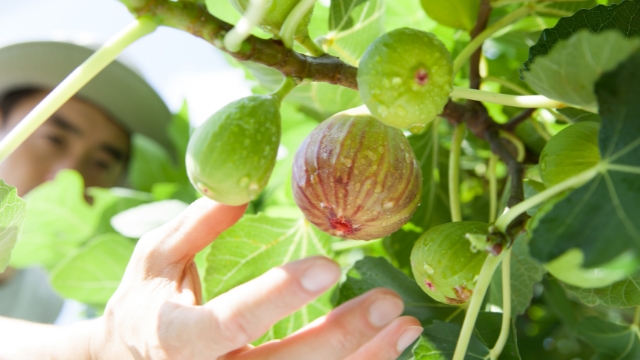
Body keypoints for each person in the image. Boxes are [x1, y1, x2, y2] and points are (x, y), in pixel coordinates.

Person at [0, 40, 423, 359]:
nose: (71, 174)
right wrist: (96, 349)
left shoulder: (48, 293)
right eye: (53, 137)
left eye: (104, 160)